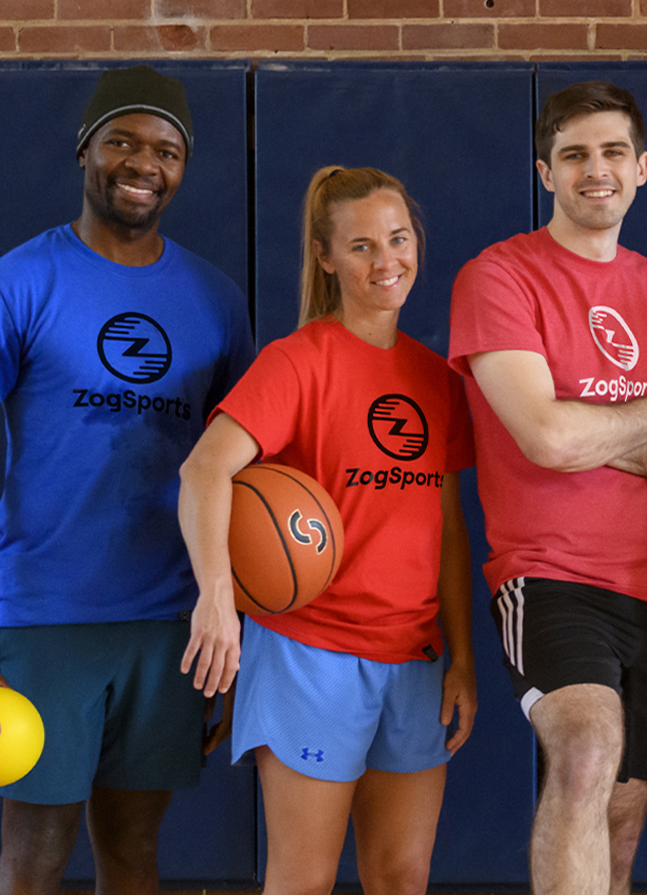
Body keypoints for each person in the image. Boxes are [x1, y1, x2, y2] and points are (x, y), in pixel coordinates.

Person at [178, 167, 476, 895]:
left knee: (402, 879)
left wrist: (462, 658)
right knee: (303, 880)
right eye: (363, 245)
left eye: (399, 240)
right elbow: (203, 471)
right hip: (311, 653)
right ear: (326, 257)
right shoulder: (297, 362)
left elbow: (445, 527)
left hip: (414, 660)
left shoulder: (437, 379)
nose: (387, 262)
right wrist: (217, 598)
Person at [448, 81, 647, 895]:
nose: (595, 170)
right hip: (550, 573)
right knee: (586, 750)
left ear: (642, 169)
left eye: (611, 153)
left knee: (621, 831)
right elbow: (544, 437)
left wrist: (585, 433)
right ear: (545, 172)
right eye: (574, 156)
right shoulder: (500, 278)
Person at [0, 66, 254, 893]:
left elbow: (239, 476)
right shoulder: (22, 281)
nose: (144, 163)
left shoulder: (215, 300)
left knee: (136, 853)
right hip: (44, 615)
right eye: (123, 141)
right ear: (84, 151)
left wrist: (229, 613)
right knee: (34, 855)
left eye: (166, 150)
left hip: (166, 621)